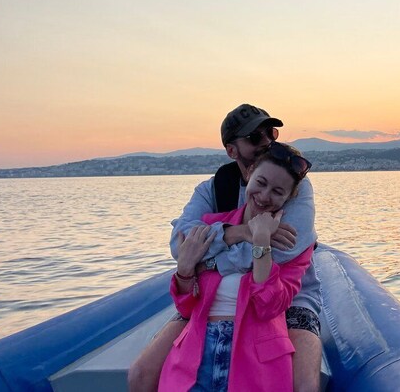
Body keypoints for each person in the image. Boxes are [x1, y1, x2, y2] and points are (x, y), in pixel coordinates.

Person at [128, 104, 322, 392]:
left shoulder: (293, 184)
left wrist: (206, 261)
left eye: (270, 132)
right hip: (215, 292)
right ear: (233, 151)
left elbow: (282, 253)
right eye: (254, 138)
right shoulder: (213, 189)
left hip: (288, 295)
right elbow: (180, 245)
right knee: (141, 375)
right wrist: (242, 232)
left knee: (304, 384)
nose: (267, 141)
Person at [159, 142, 314, 391]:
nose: (264, 197)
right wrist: (185, 271)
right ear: (249, 173)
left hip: (255, 362)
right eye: (261, 183)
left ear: (288, 198)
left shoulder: (293, 243)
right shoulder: (213, 226)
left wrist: (262, 239)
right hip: (196, 357)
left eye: (277, 191)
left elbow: (268, 306)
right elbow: (186, 305)